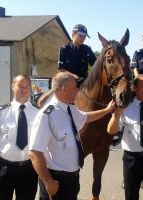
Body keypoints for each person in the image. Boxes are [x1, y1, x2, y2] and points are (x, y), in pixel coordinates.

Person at [29, 72, 116, 200]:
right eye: (75, 87)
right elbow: (34, 153)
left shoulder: (70, 109)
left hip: (72, 179)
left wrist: (107, 110)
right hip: (56, 181)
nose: (78, 90)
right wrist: (48, 182)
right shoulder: (47, 115)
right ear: (64, 89)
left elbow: (86, 117)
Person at [0, 75, 39, 200]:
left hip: (29, 169)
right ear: (12, 87)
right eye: (20, 85)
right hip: (4, 169)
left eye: (27, 86)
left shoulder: (38, 113)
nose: (24, 89)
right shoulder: (1, 112)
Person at [37, 24, 96, 108]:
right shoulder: (64, 49)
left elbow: (95, 65)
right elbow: (62, 69)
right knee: (45, 101)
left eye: (85, 36)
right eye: (81, 36)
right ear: (73, 34)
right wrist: (74, 76)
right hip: (68, 81)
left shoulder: (87, 49)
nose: (83, 38)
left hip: (84, 82)